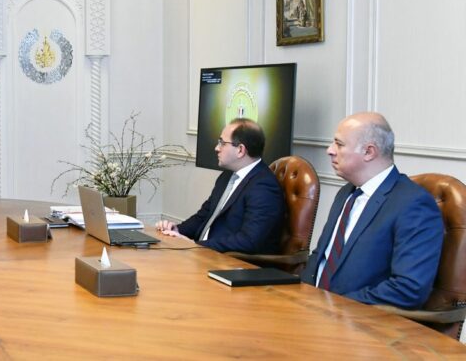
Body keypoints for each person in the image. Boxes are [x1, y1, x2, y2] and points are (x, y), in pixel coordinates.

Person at [301, 112, 443, 309]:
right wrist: (302, 297)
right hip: (311, 309)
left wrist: (336, 305)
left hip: (357, 319)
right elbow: (321, 256)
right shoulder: (347, 192)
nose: (330, 150)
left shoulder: (413, 204)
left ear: (369, 152)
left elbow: (409, 288)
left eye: (339, 144)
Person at [155, 118, 285, 253]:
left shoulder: (264, 186)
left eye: (222, 143)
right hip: (205, 253)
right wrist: (177, 230)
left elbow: (248, 241)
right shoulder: (227, 176)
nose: (216, 148)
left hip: (233, 262)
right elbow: (203, 216)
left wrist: (196, 246)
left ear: (240, 150)